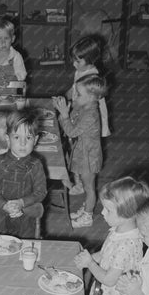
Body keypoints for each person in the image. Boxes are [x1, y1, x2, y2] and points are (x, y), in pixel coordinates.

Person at [53, 73, 107, 228]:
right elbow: (74, 114)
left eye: (79, 94)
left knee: (89, 187)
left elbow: (72, 131)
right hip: (84, 152)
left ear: (92, 97)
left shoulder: (91, 115)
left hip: (89, 157)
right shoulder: (85, 106)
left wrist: (64, 115)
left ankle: (88, 217)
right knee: (85, 184)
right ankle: (86, 209)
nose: (75, 96)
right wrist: (65, 107)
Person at [0, 108, 47, 238]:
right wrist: (4, 204)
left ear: (35, 140)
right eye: (17, 137)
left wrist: (22, 203)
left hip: (25, 217)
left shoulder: (36, 165)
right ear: (8, 138)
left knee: (24, 247)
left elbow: (40, 192)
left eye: (28, 137)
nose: (23, 143)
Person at [66, 36, 111, 196]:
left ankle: (82, 184)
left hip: (88, 118)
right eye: (73, 60)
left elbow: (89, 105)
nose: (74, 64)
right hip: (79, 112)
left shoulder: (92, 75)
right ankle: (79, 182)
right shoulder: (81, 71)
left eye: (78, 61)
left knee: (81, 151)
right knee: (75, 149)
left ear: (90, 60)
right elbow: (74, 90)